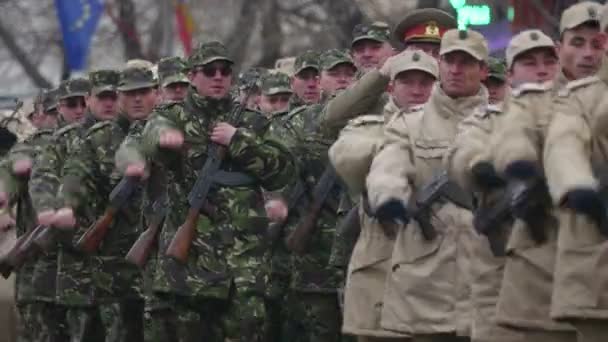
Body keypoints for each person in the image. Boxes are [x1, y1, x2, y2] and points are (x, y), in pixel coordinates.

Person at [115, 41, 294, 342]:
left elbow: (284, 171)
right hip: (192, 261)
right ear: (192, 76)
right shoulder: (173, 116)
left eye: (224, 70)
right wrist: (164, 139)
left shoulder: (253, 122)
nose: (218, 76)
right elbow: (147, 135)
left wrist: (239, 141)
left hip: (245, 260)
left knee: (249, 329)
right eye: (209, 70)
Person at [365, 28, 489, 342]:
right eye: (450, 61)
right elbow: (388, 166)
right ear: (441, 65)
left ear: (484, 70)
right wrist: (389, 196)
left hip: (489, 278)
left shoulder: (506, 122)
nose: (456, 69)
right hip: (426, 280)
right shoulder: (410, 122)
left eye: (466, 62)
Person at [329, 50, 438, 342]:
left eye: (425, 83)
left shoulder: (456, 128)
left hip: (436, 273)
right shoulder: (370, 128)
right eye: (407, 82)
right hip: (381, 267)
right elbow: (346, 156)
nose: (417, 91)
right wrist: (398, 150)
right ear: (391, 87)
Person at [540, 4, 608, 342]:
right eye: (578, 42)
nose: (588, 54)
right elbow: (563, 145)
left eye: (597, 44)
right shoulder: (534, 101)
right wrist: (578, 188)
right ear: (559, 48)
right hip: (550, 267)